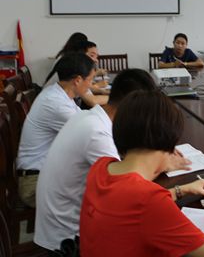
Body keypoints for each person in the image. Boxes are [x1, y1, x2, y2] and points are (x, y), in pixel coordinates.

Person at [34, 69, 178, 251]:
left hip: (63, 220)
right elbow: (129, 189)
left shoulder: (91, 116)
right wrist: (163, 163)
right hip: (68, 238)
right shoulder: (97, 132)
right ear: (132, 106)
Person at [79, 90, 204, 257]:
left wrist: (180, 190)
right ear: (170, 141)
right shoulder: (148, 199)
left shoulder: (101, 167)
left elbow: (130, 206)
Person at [16, 53, 96, 207]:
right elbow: (90, 132)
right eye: (91, 80)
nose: (91, 86)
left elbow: (87, 120)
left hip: (44, 173)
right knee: (99, 193)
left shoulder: (58, 94)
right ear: (78, 80)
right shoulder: (56, 104)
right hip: (34, 184)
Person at [45, 40, 109, 107]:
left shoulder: (77, 66)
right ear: (81, 55)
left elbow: (88, 89)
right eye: (92, 55)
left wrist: (102, 91)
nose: (96, 60)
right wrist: (113, 98)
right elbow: (92, 100)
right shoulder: (75, 68)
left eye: (96, 57)